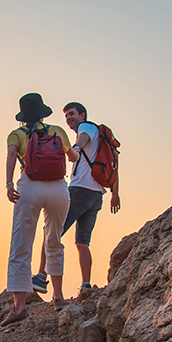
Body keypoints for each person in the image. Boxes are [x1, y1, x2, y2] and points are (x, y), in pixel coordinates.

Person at [3, 93, 79, 325]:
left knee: (21, 244)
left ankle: (19, 307)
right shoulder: (57, 130)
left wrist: (8, 183)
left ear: (23, 116)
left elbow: (11, 156)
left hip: (29, 188)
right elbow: (73, 157)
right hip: (58, 189)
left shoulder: (16, 134)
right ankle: (57, 297)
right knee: (54, 240)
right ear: (43, 113)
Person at [33, 101, 120, 297]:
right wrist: (115, 193)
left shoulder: (86, 127)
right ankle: (86, 284)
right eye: (66, 116)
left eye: (71, 114)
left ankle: (40, 275)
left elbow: (82, 138)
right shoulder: (101, 138)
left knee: (50, 232)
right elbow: (114, 166)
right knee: (82, 242)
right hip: (97, 197)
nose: (68, 118)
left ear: (82, 115)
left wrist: (74, 149)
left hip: (79, 192)